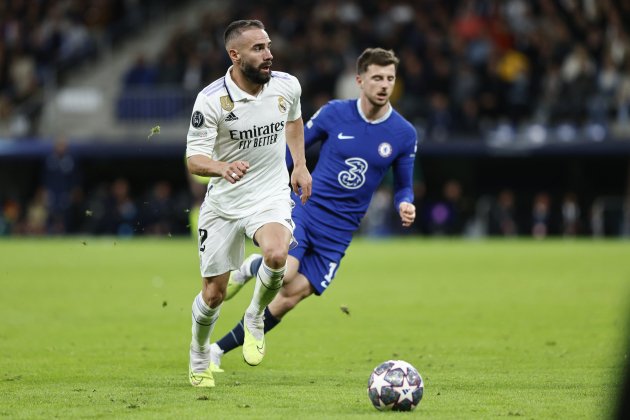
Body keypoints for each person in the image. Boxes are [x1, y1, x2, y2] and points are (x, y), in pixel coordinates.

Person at [209, 47, 418, 372]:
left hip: (341, 230)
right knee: (286, 272)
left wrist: (406, 202)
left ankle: (217, 351)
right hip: (306, 207)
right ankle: (251, 269)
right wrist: (276, 179)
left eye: (390, 78)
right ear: (360, 80)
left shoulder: (404, 133)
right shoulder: (335, 113)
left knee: (290, 297)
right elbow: (295, 149)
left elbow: (404, 184)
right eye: (377, 77)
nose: (384, 84)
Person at [185, 19, 312, 388]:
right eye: (258, 48)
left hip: (269, 194)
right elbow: (194, 159)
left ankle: (255, 315)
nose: (268, 54)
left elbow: (294, 121)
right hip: (225, 202)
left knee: (276, 255)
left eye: (268, 46)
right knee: (213, 295)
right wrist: (222, 167)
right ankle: (198, 352)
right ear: (234, 54)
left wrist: (300, 165)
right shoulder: (212, 100)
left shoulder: (287, 85)